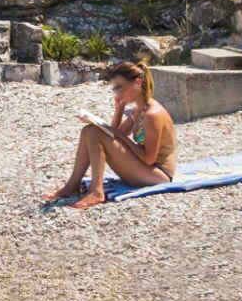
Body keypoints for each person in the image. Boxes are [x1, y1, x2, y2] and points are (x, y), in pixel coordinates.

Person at [44, 61, 178, 209]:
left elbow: (148, 158)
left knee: (95, 133)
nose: (117, 93)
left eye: (120, 88)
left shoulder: (152, 115)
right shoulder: (138, 110)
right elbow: (112, 135)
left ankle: (96, 191)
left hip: (158, 175)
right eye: (115, 89)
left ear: (138, 82)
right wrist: (119, 110)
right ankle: (72, 185)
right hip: (145, 169)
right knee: (89, 130)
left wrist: (120, 137)